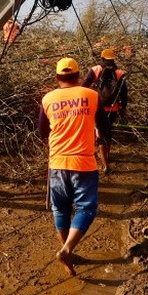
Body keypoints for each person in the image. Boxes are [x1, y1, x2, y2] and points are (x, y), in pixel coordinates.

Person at [39, 57, 100, 276]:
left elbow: (42, 132)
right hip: (83, 163)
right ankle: (67, 249)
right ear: (77, 76)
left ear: (57, 77)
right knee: (86, 207)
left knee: (61, 209)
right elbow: (103, 126)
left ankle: (68, 254)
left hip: (57, 163)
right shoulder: (91, 95)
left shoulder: (48, 99)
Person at [82, 48, 128, 174]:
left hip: (98, 108)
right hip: (113, 109)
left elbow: (83, 87)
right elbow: (124, 93)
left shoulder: (95, 69)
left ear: (102, 58)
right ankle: (107, 157)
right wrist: (123, 107)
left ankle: (105, 165)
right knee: (108, 132)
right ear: (113, 59)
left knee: (100, 134)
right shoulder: (119, 73)